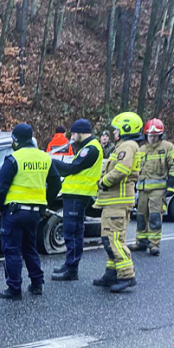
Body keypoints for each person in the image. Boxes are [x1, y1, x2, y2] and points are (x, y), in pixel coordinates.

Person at [0, 123, 62, 299]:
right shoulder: (45, 158)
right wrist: (44, 204)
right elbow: (56, 183)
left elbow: (0, 187)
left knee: (12, 250)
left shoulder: (13, 159)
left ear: (15, 140)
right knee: (30, 247)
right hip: (34, 213)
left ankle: (14, 288)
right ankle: (37, 284)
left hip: (14, 212)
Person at [92, 112, 142, 293]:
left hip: (117, 202)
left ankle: (127, 275)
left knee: (113, 240)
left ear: (125, 129)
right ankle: (111, 274)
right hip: (113, 202)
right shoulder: (125, 146)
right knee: (109, 239)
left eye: (116, 129)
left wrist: (103, 182)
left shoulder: (127, 146)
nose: (114, 133)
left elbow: (121, 170)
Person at [50, 119, 103, 281]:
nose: (72, 136)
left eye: (73, 133)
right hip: (74, 194)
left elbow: (72, 169)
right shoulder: (87, 147)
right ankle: (69, 264)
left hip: (78, 195)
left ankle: (72, 268)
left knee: (72, 232)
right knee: (72, 231)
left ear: (81, 132)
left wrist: (50, 161)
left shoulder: (91, 149)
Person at [131, 118, 174, 256]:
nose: (152, 138)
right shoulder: (141, 149)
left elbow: (173, 166)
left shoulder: (167, 147)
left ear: (160, 135)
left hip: (157, 190)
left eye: (155, 136)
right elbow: (135, 169)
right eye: (150, 135)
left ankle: (154, 244)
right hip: (142, 190)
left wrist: (170, 185)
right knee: (140, 216)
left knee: (154, 217)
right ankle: (141, 242)